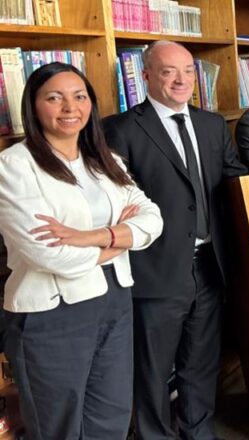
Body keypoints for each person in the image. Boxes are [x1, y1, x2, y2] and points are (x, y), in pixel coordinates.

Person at [0, 62, 163, 440]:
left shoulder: (104, 160)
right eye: (54, 98)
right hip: (52, 314)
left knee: (111, 417)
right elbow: (50, 255)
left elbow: (153, 220)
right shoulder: (14, 166)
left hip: (115, 302)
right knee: (59, 427)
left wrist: (90, 236)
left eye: (79, 96)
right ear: (33, 105)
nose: (70, 107)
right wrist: (119, 241)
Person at [103, 41, 248, 440]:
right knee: (152, 369)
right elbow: (120, 201)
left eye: (187, 71)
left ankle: (198, 432)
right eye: (169, 71)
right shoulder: (120, 128)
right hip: (156, 270)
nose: (181, 80)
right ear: (146, 76)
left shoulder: (212, 124)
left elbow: (234, 181)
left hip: (209, 266)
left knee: (201, 362)